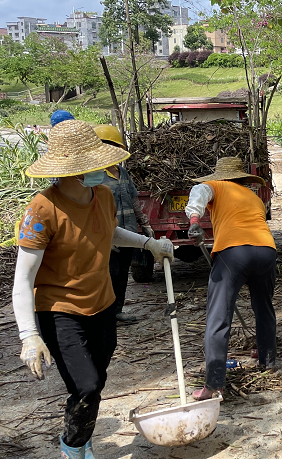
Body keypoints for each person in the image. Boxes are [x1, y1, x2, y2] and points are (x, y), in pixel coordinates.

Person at [12, 119, 174, 459]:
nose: (107, 169)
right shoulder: (42, 209)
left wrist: (149, 244)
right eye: (98, 164)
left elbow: (110, 232)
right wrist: (29, 335)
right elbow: (23, 280)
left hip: (102, 305)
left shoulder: (101, 194)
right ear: (73, 170)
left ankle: (82, 438)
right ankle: (72, 448)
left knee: (95, 385)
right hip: (60, 312)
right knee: (85, 386)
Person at [184, 157, 277, 401]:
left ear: (220, 176)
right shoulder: (254, 197)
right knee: (263, 307)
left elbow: (198, 192)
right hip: (266, 250)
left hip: (233, 253)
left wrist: (194, 221)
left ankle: (213, 384)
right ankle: (268, 360)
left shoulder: (216, 186)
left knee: (218, 317)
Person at [93, 124, 154, 324]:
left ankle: (117, 310)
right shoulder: (94, 176)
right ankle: (106, 313)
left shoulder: (122, 172)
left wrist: (145, 225)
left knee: (122, 275)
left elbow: (134, 200)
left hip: (128, 233)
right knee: (110, 274)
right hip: (106, 237)